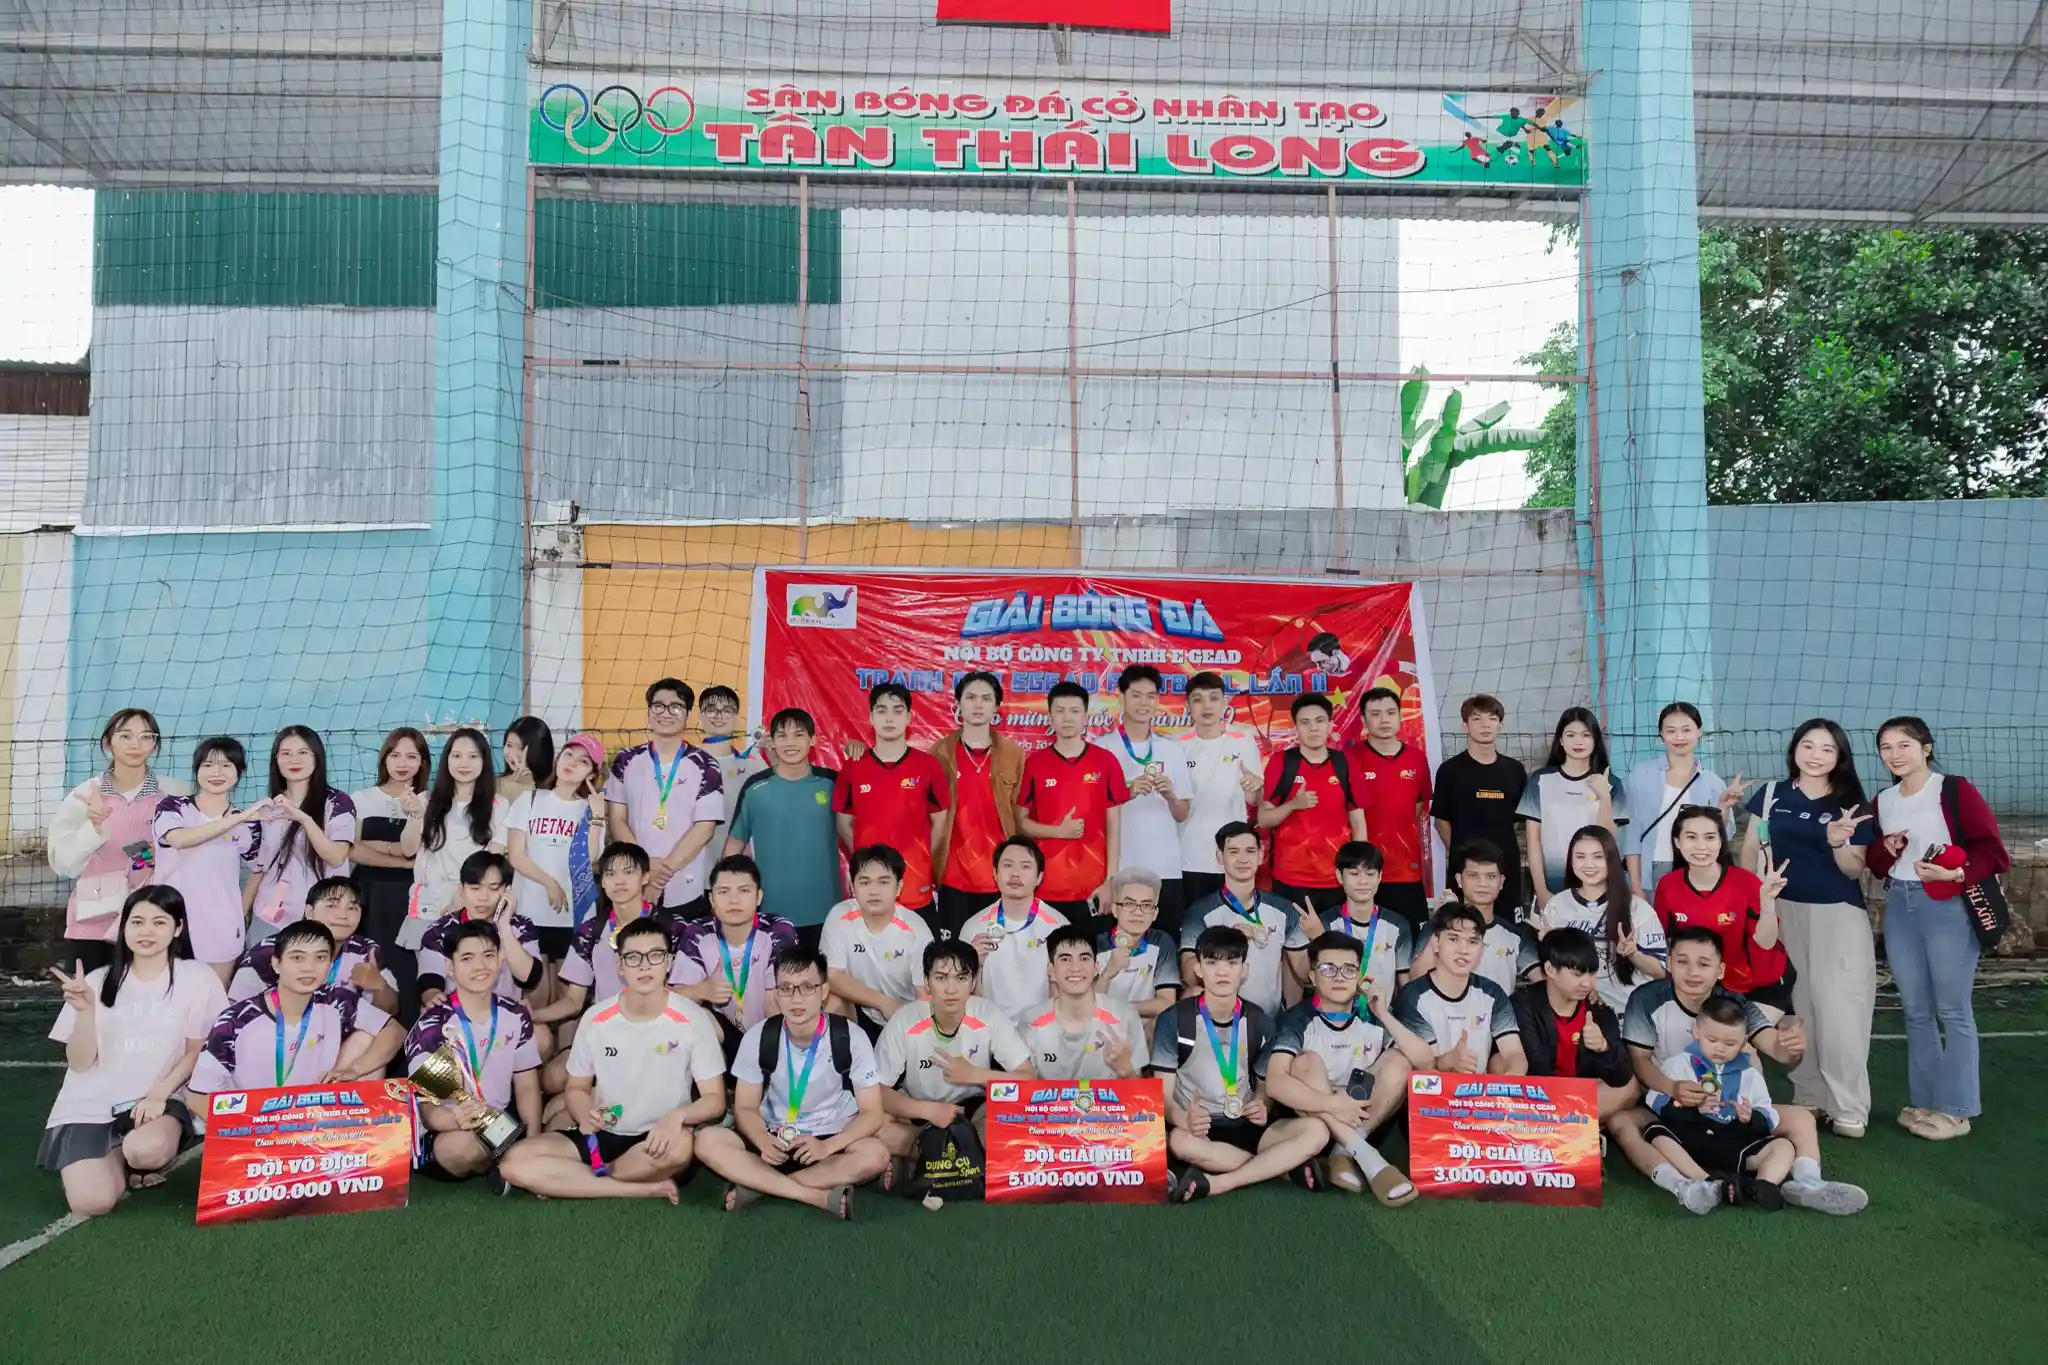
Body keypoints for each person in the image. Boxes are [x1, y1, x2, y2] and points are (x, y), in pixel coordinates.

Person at [1618, 926, 1865, 1215]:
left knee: (1801, 1118)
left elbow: (1773, 1046)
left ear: (1720, 970)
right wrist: (1672, 1089)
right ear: (1669, 963)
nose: (1693, 972)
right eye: (1683, 962)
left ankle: (1807, 1184)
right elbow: (1640, 1061)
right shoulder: (1646, 999)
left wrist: (1790, 1045)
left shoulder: (1734, 1003)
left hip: (1729, 1107)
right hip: (1670, 1104)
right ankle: (1684, 1186)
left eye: (1704, 964)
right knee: (1622, 1123)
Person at [497, 918, 725, 1203]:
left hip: (659, 1136)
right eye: (633, 957)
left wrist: (677, 1117)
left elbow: (715, 1100)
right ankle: (634, 1187)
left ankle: (577, 1179)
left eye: (655, 956)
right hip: (604, 1132)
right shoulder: (596, 1018)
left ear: (668, 963)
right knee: (514, 1161)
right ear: (620, 966)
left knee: (680, 1148)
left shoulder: (692, 1018)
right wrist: (584, 1114)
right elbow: (576, 1088)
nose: (644, 966)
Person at [40, 886, 225, 1214]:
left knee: (146, 1150)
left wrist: (159, 1094)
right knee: (92, 1203)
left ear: (178, 928)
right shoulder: (96, 981)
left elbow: (198, 1050)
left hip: (155, 1102)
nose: (146, 931)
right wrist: (85, 1013)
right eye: (137, 922)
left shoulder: (197, 978)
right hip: (91, 1106)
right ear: (123, 927)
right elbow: (79, 1063)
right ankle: (117, 1158)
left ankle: (136, 1159)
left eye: (159, 922)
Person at [1870, 716, 2010, 1142]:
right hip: (1900, 904)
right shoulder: (1884, 800)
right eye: (1886, 747)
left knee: (1952, 1009)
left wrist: (1956, 875)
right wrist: (1885, 849)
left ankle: (1957, 1110)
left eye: (1904, 745)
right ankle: (1926, 1102)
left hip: (1949, 905)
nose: (1894, 754)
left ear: (1926, 748)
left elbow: (1993, 853)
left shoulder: (1954, 790)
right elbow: (1877, 865)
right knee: (1915, 1010)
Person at [1739, 718, 1876, 1138]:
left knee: (1840, 1008)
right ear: (1795, 749)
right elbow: (1750, 851)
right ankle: (1809, 1096)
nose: (1816, 755)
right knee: (1794, 1005)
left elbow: (1853, 868)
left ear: (1840, 756)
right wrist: (1755, 901)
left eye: (1827, 749)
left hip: (1836, 914)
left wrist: (1837, 841)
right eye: (1808, 746)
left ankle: (1848, 1106)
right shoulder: (1771, 795)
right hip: (1779, 911)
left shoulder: (1851, 802)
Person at [696, 947, 892, 1219]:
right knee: (707, 1141)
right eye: (786, 989)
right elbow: (745, 1107)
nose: (796, 999)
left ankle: (760, 1187)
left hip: (829, 1138)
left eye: (807, 988)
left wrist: (827, 1146)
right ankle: (812, 1195)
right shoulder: (759, 1036)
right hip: (773, 1139)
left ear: (824, 991)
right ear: (776, 994)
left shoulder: (851, 1037)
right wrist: (761, 1139)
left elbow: (872, 1114)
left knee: (876, 1154)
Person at [1153, 926, 1328, 1203]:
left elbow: (1264, 1088)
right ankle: (1282, 1167)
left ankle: (1220, 1182)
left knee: (1317, 1131)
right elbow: (1162, 1095)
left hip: (1248, 1124)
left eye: (1232, 963)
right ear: (1198, 969)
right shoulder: (1173, 1020)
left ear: (1244, 969)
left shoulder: (1260, 1021)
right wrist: (1182, 1119)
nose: (1222, 972)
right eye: (1212, 963)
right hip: (1200, 1129)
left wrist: (1262, 1104)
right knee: (1178, 1142)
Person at [1262, 932, 1432, 1205]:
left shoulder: (1372, 1017)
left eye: (1349, 969)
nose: (1340, 977)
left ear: (1360, 977)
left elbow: (1425, 1061)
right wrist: (1332, 1104)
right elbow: (1275, 1083)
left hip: (1363, 1121)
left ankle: (1344, 1150)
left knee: (1400, 1060)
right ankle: (1368, 1159)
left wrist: (1383, 1014)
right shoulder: (1296, 1019)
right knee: (1305, 1062)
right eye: (1328, 969)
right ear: (1313, 976)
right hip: (1314, 1122)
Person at [405, 920, 545, 1182]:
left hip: (498, 1120)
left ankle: (515, 1157)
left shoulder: (515, 1015)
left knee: (544, 1131)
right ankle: (502, 1161)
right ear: (450, 966)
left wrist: (534, 1144)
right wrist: (455, 1119)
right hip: (447, 1127)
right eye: (467, 958)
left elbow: (527, 1087)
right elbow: (427, 1110)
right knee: (458, 1149)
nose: (480, 966)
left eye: (488, 955)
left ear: (501, 959)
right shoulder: (433, 1025)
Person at [49, 709, 188, 973]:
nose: (136, 744)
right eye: (125, 736)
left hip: (154, 920)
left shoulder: (174, 794)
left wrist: (156, 855)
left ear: (155, 744)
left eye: (146, 736)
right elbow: (63, 864)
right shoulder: (84, 796)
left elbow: (191, 852)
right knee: (92, 993)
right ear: (107, 743)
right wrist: (93, 828)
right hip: (95, 920)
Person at [874, 940, 1034, 1160]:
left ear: (973, 982)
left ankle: (933, 1156)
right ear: (927, 982)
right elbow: (878, 1090)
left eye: (961, 978)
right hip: (920, 1108)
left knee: (1010, 1119)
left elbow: (1028, 1078)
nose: (951, 989)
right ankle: (951, 1153)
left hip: (973, 1108)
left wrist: (975, 1075)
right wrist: (928, 1111)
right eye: (941, 978)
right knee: (876, 1125)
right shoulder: (905, 1020)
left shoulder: (988, 1015)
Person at [190, 921, 395, 1093]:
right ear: (276, 964)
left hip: (312, 1116)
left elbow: (395, 1032)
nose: (309, 968)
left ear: (330, 966)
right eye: (298, 957)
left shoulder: (336, 1001)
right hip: (253, 1121)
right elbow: (197, 1096)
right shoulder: (237, 1019)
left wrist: (353, 1070)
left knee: (368, 1036)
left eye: (320, 958)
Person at [531, 843, 680, 1079]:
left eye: (628, 872)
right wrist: (534, 1015)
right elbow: (573, 1001)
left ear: (645, 877)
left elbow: (682, 993)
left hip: (655, 1030)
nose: (619, 881)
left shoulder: (671, 927)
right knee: (553, 1078)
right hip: (606, 1030)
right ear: (602, 882)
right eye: (610, 874)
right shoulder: (591, 931)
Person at [1641, 996, 1797, 1211]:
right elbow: (1655, 1100)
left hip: (1733, 1143)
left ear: (1744, 1042)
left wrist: (1751, 1118)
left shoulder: (1750, 1074)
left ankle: (1759, 1186)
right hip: (1690, 1138)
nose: (1720, 1049)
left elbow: (1769, 1113)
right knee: (1656, 1133)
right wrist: (1692, 1110)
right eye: (1712, 1040)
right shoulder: (1677, 1064)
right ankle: (1708, 1182)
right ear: (1696, 1032)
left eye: (1730, 1044)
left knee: (1784, 1146)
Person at [723, 707, 842, 951]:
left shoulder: (833, 783)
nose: (790, 743)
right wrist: (730, 895)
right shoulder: (755, 788)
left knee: (823, 976)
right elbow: (734, 845)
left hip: (825, 913)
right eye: (782, 736)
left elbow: (856, 834)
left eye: (798, 735)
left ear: (813, 739)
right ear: (773, 742)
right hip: (770, 914)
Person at [1656, 806, 1793, 1012]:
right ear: (1677, 842)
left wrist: (1768, 904)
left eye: (1710, 837)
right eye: (1691, 837)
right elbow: (1664, 941)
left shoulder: (1746, 883)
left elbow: (1766, 943)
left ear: (1721, 841)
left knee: (1737, 1031)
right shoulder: (1668, 886)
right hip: (1703, 987)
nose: (1701, 846)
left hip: (1756, 984)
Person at [833, 682, 950, 923]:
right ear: (871, 717)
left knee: (922, 946)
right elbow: (843, 824)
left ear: (908, 717)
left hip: (915, 885)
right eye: (881, 710)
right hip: (870, 888)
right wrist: (866, 860)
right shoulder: (853, 768)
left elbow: (940, 823)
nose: (889, 718)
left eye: (897, 711)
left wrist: (923, 859)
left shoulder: (928, 766)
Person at [607, 679, 725, 917]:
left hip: (684, 887)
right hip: (633, 884)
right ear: (649, 711)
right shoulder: (626, 760)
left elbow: (705, 828)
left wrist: (660, 876)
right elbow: (617, 819)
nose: (666, 713)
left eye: (676, 706)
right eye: (658, 706)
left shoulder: (706, 765)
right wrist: (644, 866)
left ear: (688, 714)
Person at [1016, 680, 1130, 917]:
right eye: (1060, 711)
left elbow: (1114, 826)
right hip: (1046, 886)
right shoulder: (1034, 763)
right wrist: (1059, 831)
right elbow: (1021, 823)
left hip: (1094, 887)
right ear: (1050, 717)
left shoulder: (1106, 761)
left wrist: (1110, 880)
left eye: (1075, 711)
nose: (1067, 718)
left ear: (1085, 716)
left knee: (1093, 942)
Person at [1094, 665, 1193, 934]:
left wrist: (1170, 795)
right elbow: (1091, 810)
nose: (1143, 703)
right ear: (1120, 697)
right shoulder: (1102, 748)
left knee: (1165, 944)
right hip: (1118, 868)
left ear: (1158, 700)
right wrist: (1125, 793)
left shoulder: (1171, 750)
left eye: (1150, 696)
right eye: (1136, 695)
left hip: (1165, 869)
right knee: (1114, 945)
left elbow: (1182, 813)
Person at [151, 736, 260, 981]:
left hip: (221, 929)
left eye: (226, 765)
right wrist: (238, 818)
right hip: (169, 922)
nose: (216, 772)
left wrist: (241, 909)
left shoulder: (248, 825)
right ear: (197, 770)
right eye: (208, 765)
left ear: (239, 772)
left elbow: (260, 866)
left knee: (214, 998)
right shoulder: (173, 807)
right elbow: (180, 839)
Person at [928, 672, 1026, 941]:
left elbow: (1023, 818)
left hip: (1000, 877)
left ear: (996, 707)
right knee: (955, 955)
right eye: (970, 698)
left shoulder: (1014, 755)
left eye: (986, 698)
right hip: (953, 879)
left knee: (999, 955)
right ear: (958, 704)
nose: (978, 705)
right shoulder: (939, 754)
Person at [1529, 825, 1666, 1010]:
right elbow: (1549, 971)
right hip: (1574, 1014)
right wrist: (1550, 944)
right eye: (1580, 857)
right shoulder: (1557, 906)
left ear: (1612, 860)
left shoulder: (1638, 908)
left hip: (1625, 1013)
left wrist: (1634, 954)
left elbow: (1660, 972)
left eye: (1598, 857)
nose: (1589, 864)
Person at [398, 727, 507, 954]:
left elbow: (492, 862)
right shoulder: (425, 800)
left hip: (473, 909)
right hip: (428, 909)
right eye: (457, 755)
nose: (464, 763)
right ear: (447, 759)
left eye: (473, 756)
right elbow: (408, 849)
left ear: (484, 761)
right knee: (431, 975)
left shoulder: (498, 805)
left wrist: (460, 899)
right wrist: (416, 814)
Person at [1181, 821, 1308, 1017]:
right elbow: (1189, 976)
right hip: (1221, 1020)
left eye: (1250, 851)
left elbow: (1304, 973)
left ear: (1261, 855)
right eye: (1233, 852)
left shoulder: (1284, 909)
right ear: (1220, 857)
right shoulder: (1200, 912)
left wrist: (1319, 937)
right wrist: (1222, 944)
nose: (1242, 859)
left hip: (1269, 1020)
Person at [671, 854, 800, 1047]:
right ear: (711, 899)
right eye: (723, 892)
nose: (734, 900)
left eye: (744, 891)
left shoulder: (778, 931)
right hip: (726, 1032)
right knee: (692, 1016)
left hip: (773, 1029)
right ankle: (713, 1067)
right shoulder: (698, 933)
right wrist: (702, 990)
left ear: (759, 897)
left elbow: (776, 1001)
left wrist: (768, 1050)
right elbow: (674, 998)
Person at [229, 877, 399, 1020]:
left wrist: (379, 986)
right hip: (276, 1034)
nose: (343, 915)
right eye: (332, 906)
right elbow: (235, 1012)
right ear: (309, 912)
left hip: (342, 1039)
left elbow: (389, 1012)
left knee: (390, 1033)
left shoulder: (365, 951)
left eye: (352, 908)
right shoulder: (270, 951)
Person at [1509, 927, 1637, 1118]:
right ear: (1550, 970)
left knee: (1630, 1086)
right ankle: (1572, 1121)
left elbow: (1621, 1077)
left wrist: (1603, 1048)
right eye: (1577, 974)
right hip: (1537, 1097)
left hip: (1578, 1095)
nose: (1587, 983)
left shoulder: (1598, 1011)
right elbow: (1536, 1068)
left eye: (1592, 974)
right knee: (1500, 1063)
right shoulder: (1523, 1004)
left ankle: (1566, 1121)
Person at [245, 726, 358, 942]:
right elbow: (260, 868)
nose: (294, 760)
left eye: (303, 752)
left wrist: (303, 818)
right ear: (276, 760)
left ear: (317, 757)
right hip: (269, 916)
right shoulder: (266, 808)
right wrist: (242, 912)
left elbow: (336, 856)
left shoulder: (338, 803)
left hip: (323, 918)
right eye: (286, 753)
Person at [1258, 692, 1365, 915]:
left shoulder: (1345, 763)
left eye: (1319, 721)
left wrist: (1358, 871)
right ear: (1296, 727)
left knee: (1334, 937)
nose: (1313, 728)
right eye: (1305, 722)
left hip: (1336, 879)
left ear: (1330, 725)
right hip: (1290, 880)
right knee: (1293, 937)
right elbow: (1264, 819)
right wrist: (1293, 805)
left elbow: (1358, 821)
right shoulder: (1281, 762)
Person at [506, 733, 605, 973]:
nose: (572, 762)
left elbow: (591, 857)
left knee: (566, 990)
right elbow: (516, 856)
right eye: (568, 754)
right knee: (536, 987)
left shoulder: (589, 810)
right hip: (530, 910)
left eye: (583, 761)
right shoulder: (529, 799)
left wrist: (598, 817)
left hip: (573, 915)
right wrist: (550, 883)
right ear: (558, 759)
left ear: (592, 774)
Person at [1393, 904, 1527, 1074]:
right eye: (1454, 939)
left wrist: (1510, 1080)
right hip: (1431, 1087)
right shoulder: (1412, 997)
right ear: (1436, 943)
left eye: (1473, 942)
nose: (1463, 950)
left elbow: (1514, 1053)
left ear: (1482, 949)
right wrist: (1450, 1061)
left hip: (1478, 1089)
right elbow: (1427, 1064)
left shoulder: (1493, 994)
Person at [1621, 701, 1741, 891]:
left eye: (1686, 730)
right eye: (1671, 730)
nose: (1679, 737)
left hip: (1697, 869)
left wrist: (1724, 807)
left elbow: (1721, 833)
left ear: (1699, 731)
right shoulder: (1641, 775)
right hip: (1651, 870)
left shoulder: (1713, 782)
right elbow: (1632, 834)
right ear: (1661, 734)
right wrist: (1636, 886)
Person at [820, 845, 936, 1033]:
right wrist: (883, 1002)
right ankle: (843, 1052)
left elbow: (925, 995)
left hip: (905, 1016)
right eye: (865, 882)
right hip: (864, 1009)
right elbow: (832, 976)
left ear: (899, 887)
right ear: (853, 887)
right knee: (831, 1002)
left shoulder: (916, 931)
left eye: (883, 882)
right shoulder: (839, 917)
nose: (874, 891)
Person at [1517, 707, 1626, 907]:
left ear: (1595, 740)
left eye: (1586, 735)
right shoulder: (1540, 780)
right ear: (1560, 740)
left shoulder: (1611, 783)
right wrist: (1541, 891)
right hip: (1552, 882)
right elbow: (1533, 842)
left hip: (1597, 881)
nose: (1578, 741)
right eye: (1570, 735)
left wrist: (1604, 797)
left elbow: (1609, 837)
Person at [1175, 670, 1265, 908]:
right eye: (1198, 699)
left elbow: (1255, 800)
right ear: (1188, 706)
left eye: (1214, 698)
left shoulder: (1243, 740)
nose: (1207, 706)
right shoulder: (1177, 746)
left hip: (1233, 856)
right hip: (1190, 854)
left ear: (1225, 702)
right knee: (1195, 922)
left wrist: (1256, 786)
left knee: (1234, 922)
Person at [1014, 926, 1148, 1080]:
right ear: (1051, 970)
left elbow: (1139, 1090)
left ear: (1096, 967)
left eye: (1084, 958)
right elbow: (1021, 1088)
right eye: (1065, 959)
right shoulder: (1031, 1022)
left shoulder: (1125, 1015)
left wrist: (1127, 1072)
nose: (1076, 968)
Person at [415, 852, 543, 1011]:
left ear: (507, 890)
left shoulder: (520, 926)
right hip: (455, 1014)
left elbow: (529, 978)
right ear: (462, 889)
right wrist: (433, 996)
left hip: (505, 1015)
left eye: (493, 888)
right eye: (475, 888)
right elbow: (429, 979)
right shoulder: (441, 930)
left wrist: (504, 928)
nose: (483, 897)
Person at [1350, 686, 1432, 934]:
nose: (1384, 720)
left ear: (1400, 715)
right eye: (1375, 714)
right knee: (1365, 942)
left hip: (1406, 871)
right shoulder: (1349, 758)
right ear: (1363, 719)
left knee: (1413, 942)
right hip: (1364, 873)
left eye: (1390, 712)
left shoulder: (1417, 758)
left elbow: (1419, 806)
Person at [1407, 838, 1537, 995]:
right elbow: (1416, 978)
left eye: (1490, 876)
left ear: (1501, 882)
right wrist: (1442, 925)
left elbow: (1543, 980)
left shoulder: (1515, 935)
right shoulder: (1436, 928)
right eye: (1473, 875)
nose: (1482, 883)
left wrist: (1552, 941)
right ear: (1459, 880)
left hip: (1501, 1010)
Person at [958, 836, 1069, 1017]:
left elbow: (1068, 992)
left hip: (1042, 1027)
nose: (1015, 874)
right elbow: (960, 995)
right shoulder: (974, 927)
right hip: (991, 1027)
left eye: (1025, 866)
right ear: (995, 874)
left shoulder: (1059, 927)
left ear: (1039, 877)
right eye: (1008, 865)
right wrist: (972, 964)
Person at [1431, 694, 1528, 899]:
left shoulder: (1515, 770)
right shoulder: (1450, 770)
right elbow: (1441, 822)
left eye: (1492, 718)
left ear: (1501, 725)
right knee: (1464, 918)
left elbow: (1521, 821)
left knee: (1506, 918)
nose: (1485, 725)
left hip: (1505, 868)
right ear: (1465, 725)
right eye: (1477, 718)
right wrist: (1461, 854)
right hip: (1466, 870)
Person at [347, 727, 429, 956]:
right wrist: (402, 857)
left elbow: (424, 850)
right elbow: (352, 850)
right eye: (395, 755)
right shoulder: (361, 798)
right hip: (368, 892)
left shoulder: (429, 801)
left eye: (411, 756)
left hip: (413, 894)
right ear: (385, 759)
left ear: (422, 762)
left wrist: (376, 845)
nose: (402, 763)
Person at [1308, 840, 1421, 1001]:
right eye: (1354, 874)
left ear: (1380, 876)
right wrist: (1316, 938)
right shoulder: (1325, 923)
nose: (1363, 881)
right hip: (1335, 1014)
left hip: (1381, 1014)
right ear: (1340, 876)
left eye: (1370, 874)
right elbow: (1308, 978)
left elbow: (1404, 984)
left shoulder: (1397, 926)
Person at [696, 686, 768, 891]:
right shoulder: (687, 762)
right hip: (693, 875)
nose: (719, 716)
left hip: (739, 876)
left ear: (737, 717)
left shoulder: (754, 765)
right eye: (711, 709)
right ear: (699, 716)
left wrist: (773, 756)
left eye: (727, 710)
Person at [1092, 868, 1182, 1028]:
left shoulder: (1161, 942)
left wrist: (1122, 1009)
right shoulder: (1096, 945)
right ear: (1115, 909)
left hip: (1145, 1030)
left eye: (1146, 905)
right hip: (1102, 1029)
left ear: (1155, 913)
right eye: (1129, 904)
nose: (1138, 912)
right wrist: (1106, 975)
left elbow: (1166, 1003)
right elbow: (1088, 1006)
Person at [498, 715, 555, 807]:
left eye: (521, 748)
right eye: (509, 745)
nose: (512, 754)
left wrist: (527, 787)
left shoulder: (553, 790)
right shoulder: (492, 784)